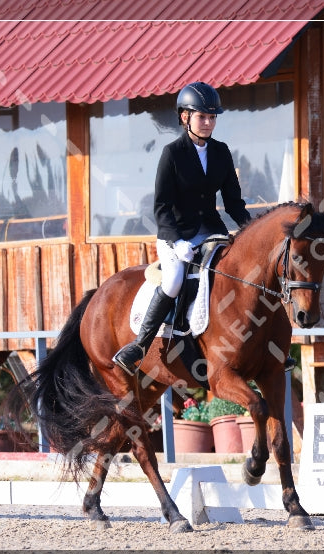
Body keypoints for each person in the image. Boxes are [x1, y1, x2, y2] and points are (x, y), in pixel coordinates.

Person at [112, 81, 252, 375]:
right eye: (203, 116)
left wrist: (252, 230)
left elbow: (234, 203)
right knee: (174, 279)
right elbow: (161, 206)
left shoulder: (222, 152)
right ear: (185, 117)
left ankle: (258, 344)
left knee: (240, 273)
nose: (209, 122)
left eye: (213, 117)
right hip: (175, 235)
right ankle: (140, 344)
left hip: (211, 233)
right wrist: (176, 242)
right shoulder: (172, 153)